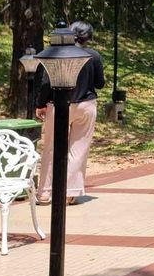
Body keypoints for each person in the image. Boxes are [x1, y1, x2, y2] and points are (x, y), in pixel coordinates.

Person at [36, 21, 105, 206]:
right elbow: (100, 83)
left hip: (57, 105)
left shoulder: (56, 53)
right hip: (85, 105)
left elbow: (45, 82)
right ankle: (69, 193)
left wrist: (41, 104)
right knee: (78, 149)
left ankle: (44, 193)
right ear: (88, 37)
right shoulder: (93, 56)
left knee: (50, 148)